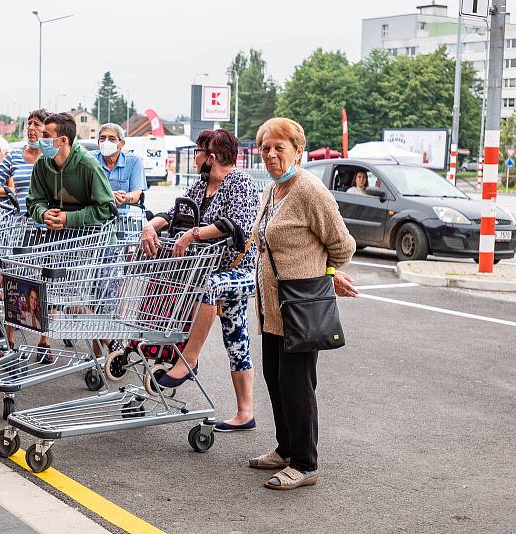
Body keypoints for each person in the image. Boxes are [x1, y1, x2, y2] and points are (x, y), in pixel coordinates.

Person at [249, 117, 357, 491]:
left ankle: (306, 462)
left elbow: (343, 245)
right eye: (266, 148)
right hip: (271, 305)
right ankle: (285, 448)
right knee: (275, 379)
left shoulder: (310, 191)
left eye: (280, 147)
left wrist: (326, 271)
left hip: (300, 304)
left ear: (298, 150)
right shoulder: (272, 191)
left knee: (297, 384)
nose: (272, 154)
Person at [140, 129, 261, 431]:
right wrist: (150, 227)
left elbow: (236, 227)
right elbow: (172, 212)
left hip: (240, 271)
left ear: (213, 156)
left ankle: (188, 360)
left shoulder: (240, 183)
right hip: (210, 269)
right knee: (236, 339)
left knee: (212, 287)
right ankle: (245, 413)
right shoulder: (202, 185)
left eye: (198, 151)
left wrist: (193, 233)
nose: (194, 157)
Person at [26, 112, 114, 363]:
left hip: (94, 245)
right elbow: (34, 200)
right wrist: (43, 214)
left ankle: (108, 345)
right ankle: (112, 344)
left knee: (79, 300)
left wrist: (67, 219)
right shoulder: (43, 165)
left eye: (46, 136)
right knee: (62, 297)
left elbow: (105, 209)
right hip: (60, 244)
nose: (40, 140)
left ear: (62, 140)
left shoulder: (88, 166)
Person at [0, 109, 49, 212]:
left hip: (49, 224)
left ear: (48, 129)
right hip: (21, 225)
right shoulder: (14, 156)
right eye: (29, 124)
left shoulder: (54, 156)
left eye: (37, 124)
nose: (31, 128)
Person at [91, 123, 146, 207]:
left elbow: (137, 193)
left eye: (112, 139)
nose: (106, 142)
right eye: (102, 138)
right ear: (98, 143)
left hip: (121, 215)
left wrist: (124, 197)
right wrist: (108, 196)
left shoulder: (134, 161)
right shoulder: (90, 159)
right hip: (94, 214)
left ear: (122, 144)